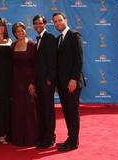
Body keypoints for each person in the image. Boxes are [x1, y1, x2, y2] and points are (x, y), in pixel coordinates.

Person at [52, 12, 86, 152]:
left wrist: (73, 79)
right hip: (62, 84)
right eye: (55, 21)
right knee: (66, 112)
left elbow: (79, 60)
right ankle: (70, 138)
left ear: (65, 20)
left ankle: (73, 142)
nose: (58, 23)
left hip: (72, 83)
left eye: (60, 20)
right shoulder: (58, 39)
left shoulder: (74, 35)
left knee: (72, 112)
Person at [10, 22, 38, 146]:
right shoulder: (13, 45)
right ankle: (18, 138)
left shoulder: (32, 45)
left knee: (29, 110)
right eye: (17, 31)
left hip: (28, 82)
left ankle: (30, 138)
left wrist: (33, 83)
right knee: (18, 109)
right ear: (14, 34)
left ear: (25, 31)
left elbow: (36, 66)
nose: (20, 33)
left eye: (22, 30)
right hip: (16, 82)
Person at [33, 15, 57, 149]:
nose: (37, 25)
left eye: (40, 23)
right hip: (39, 82)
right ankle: (43, 137)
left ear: (45, 24)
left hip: (47, 82)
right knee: (42, 110)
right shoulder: (39, 40)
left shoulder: (49, 38)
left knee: (48, 111)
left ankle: (49, 138)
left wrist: (49, 79)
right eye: (35, 23)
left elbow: (52, 61)